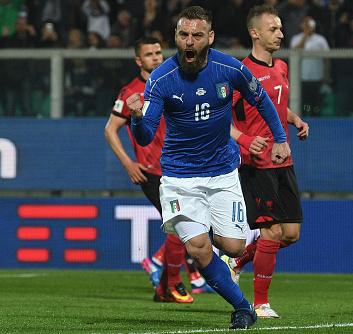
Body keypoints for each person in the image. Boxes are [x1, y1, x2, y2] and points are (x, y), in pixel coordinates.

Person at [126, 6, 290, 330]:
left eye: (197, 35)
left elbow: (261, 100)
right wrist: (136, 118)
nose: (189, 41)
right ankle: (243, 307)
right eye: (183, 34)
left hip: (222, 173)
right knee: (200, 249)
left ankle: (207, 234)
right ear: (176, 36)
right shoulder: (161, 79)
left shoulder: (228, 68)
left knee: (234, 246)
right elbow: (145, 137)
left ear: (210, 37)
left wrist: (281, 139)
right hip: (178, 177)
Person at [105, 37, 215, 303]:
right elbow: (110, 129)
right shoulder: (131, 91)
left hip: (180, 167)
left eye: (158, 52)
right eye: (149, 54)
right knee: (182, 225)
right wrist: (128, 163)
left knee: (190, 225)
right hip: (153, 172)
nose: (155, 57)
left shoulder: (171, 82)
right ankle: (171, 280)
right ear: (138, 61)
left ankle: (161, 271)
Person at [222, 4, 309, 319]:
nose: (281, 34)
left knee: (290, 234)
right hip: (255, 163)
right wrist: (244, 140)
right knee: (270, 233)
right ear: (255, 33)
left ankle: (237, 261)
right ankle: (260, 303)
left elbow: (275, 105)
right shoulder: (239, 73)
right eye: (274, 29)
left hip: (283, 159)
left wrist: (295, 119)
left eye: (281, 28)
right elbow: (221, 119)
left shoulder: (282, 67)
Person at [290, 16, 330, 117]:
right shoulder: (296, 39)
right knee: (304, 106)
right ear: (301, 25)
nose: (308, 26)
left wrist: (326, 77)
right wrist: (305, 35)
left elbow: (327, 59)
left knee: (316, 107)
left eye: (310, 24)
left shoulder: (321, 40)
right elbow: (295, 51)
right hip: (302, 79)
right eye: (305, 23)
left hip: (317, 78)